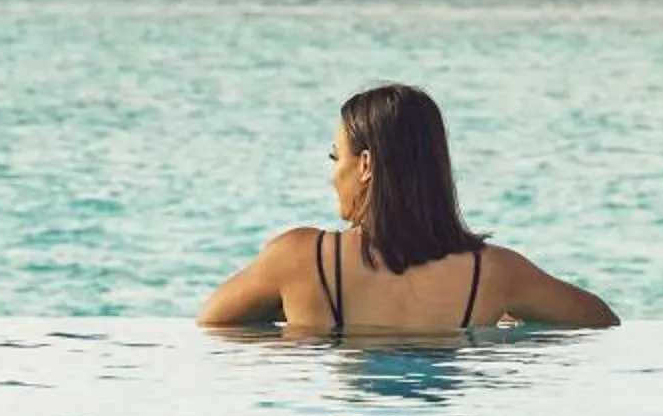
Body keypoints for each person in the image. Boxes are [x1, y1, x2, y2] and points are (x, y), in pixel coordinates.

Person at [196, 83, 619, 334]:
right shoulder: (494, 274)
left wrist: (297, 330)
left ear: (364, 165)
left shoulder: (298, 259)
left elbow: (212, 326)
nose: (330, 174)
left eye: (334, 157)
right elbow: (600, 321)